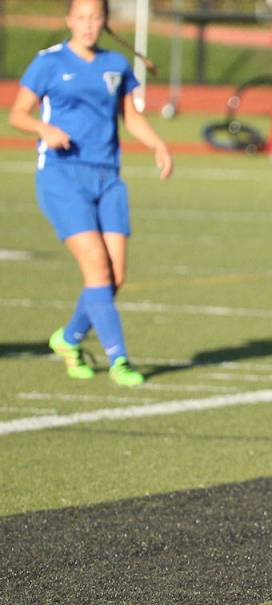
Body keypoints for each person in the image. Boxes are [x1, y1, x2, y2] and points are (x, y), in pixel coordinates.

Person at [8, 0, 172, 386]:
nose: (87, 25)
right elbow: (17, 114)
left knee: (114, 276)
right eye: (80, 17)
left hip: (108, 179)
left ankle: (68, 339)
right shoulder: (48, 62)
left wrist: (158, 146)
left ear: (105, 22)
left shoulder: (115, 65)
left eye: (95, 17)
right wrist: (43, 130)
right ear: (68, 20)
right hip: (62, 177)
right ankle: (120, 361)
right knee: (97, 268)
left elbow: (131, 117)